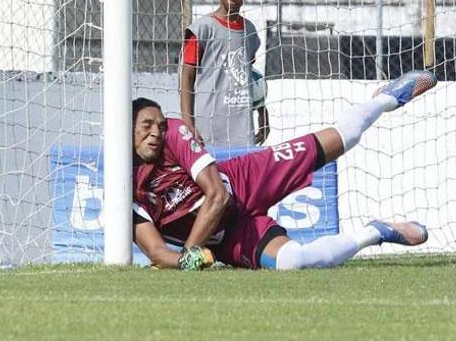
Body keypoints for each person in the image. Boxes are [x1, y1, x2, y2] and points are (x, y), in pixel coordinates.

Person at [132, 70, 437, 271]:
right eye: (145, 127)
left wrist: (189, 253)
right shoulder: (126, 189)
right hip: (229, 236)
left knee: (344, 137)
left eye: (157, 125)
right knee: (293, 261)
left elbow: (218, 196)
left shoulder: (174, 133)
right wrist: (185, 262)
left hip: (247, 179)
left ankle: (387, 98)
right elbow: (156, 251)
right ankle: (376, 232)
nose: (155, 132)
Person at [180, 0, 263, 149]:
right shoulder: (203, 29)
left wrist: (262, 110)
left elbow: (251, 74)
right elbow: (187, 76)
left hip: (242, 127)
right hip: (208, 127)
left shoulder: (249, 30)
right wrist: (188, 122)